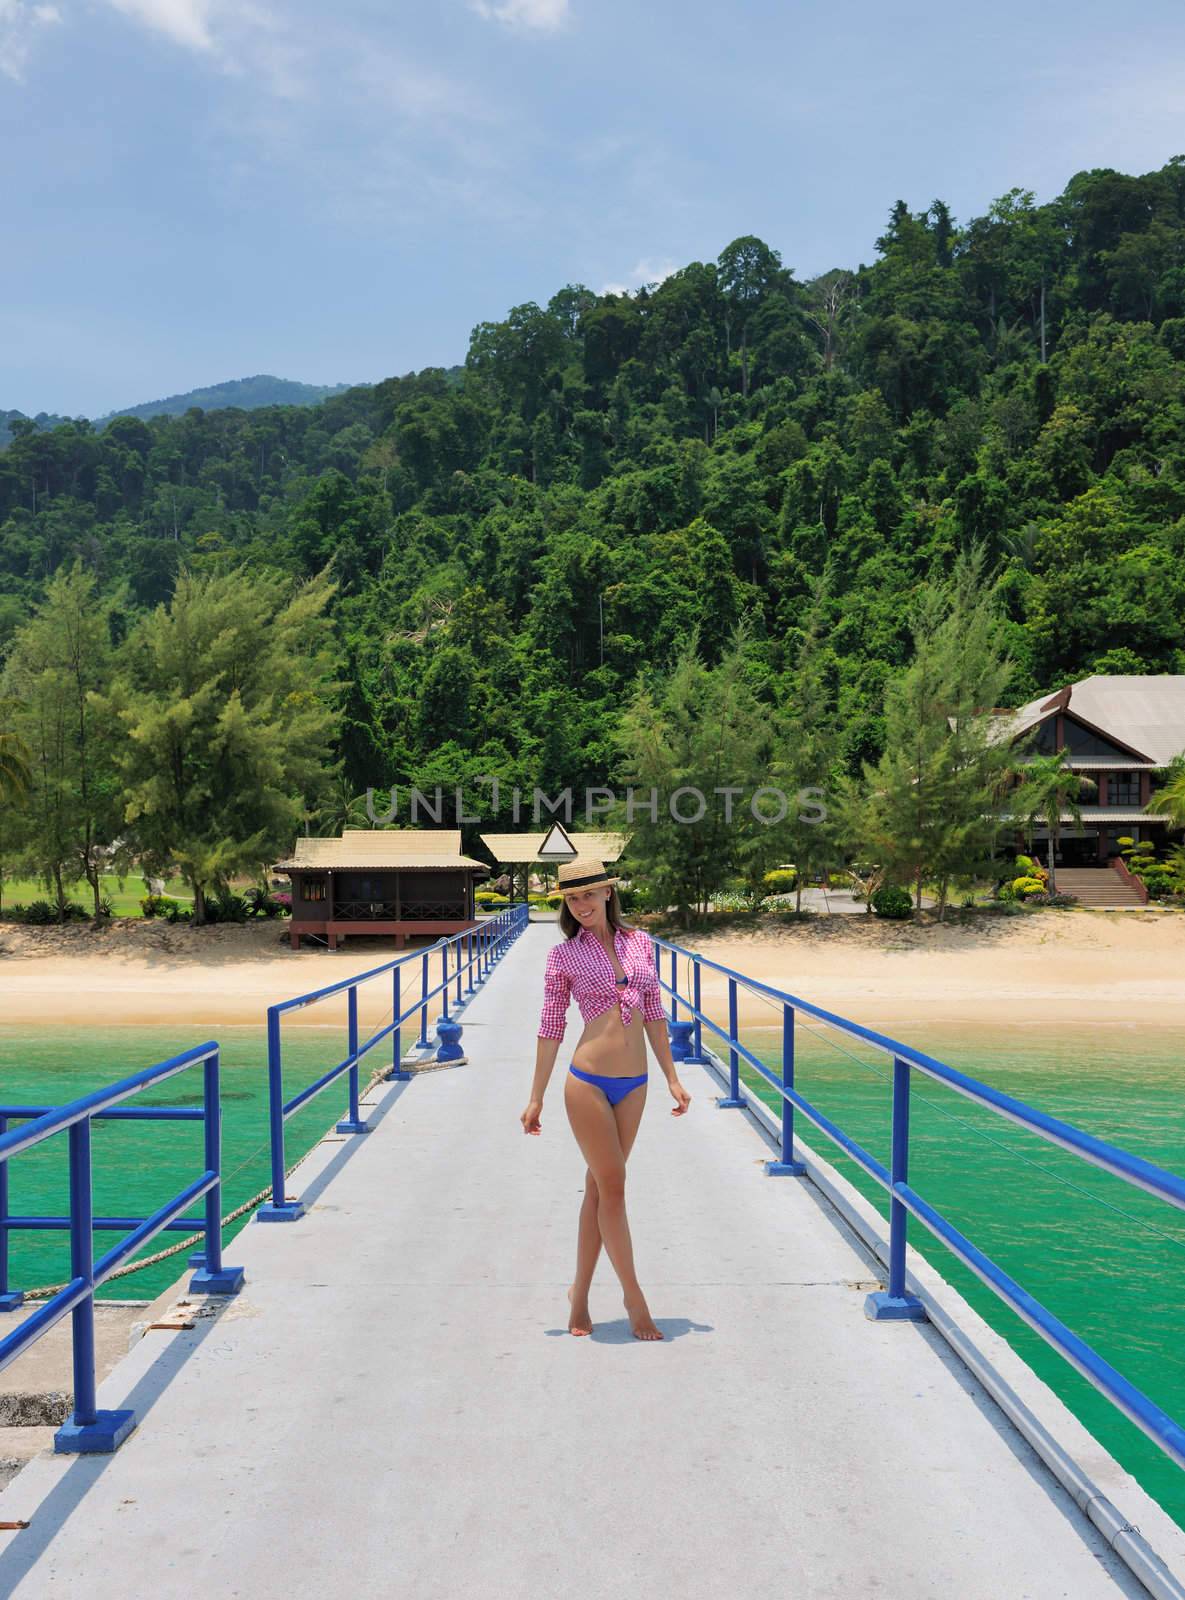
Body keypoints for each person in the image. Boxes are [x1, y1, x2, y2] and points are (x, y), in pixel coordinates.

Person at [520, 857, 691, 1340]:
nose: (581, 905)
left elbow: (655, 1012)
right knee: (614, 1185)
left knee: (599, 1190)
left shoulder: (640, 943)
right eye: (572, 899)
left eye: (588, 896)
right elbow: (552, 1027)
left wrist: (672, 1078)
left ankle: (578, 1294)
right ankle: (634, 1298)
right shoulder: (563, 956)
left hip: (635, 1084)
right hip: (588, 1082)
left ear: (608, 894)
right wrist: (536, 1097)